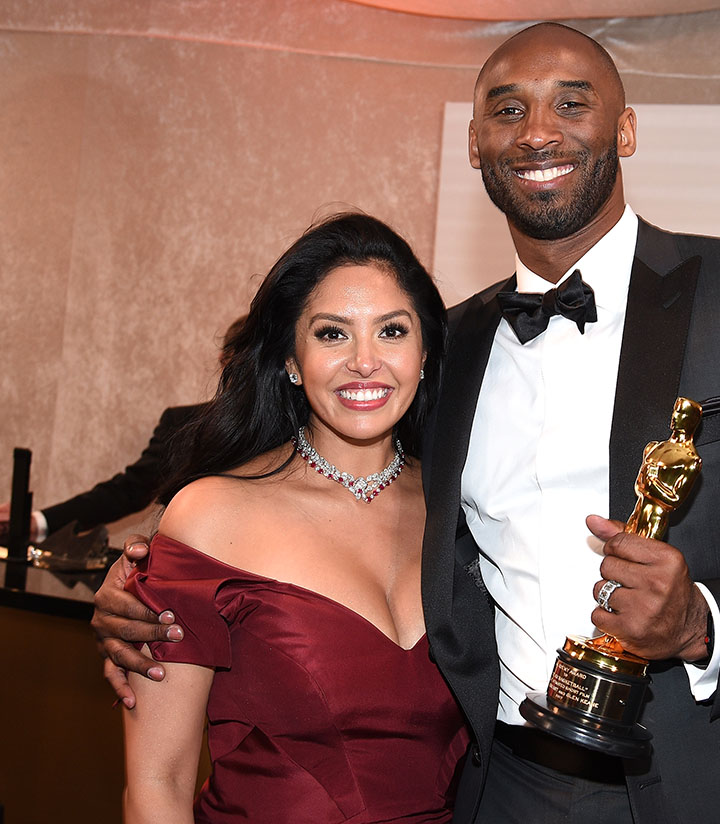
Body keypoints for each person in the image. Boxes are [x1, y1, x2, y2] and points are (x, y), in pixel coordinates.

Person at [93, 23, 720, 824]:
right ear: (476, 144)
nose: (538, 132)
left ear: (624, 129)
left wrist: (702, 622)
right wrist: (146, 589)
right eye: (508, 110)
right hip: (499, 791)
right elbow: (327, 510)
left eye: (572, 102)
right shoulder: (443, 348)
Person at [119, 213, 463, 822]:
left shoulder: (462, 513)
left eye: (392, 331)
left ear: (425, 352)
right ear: (291, 360)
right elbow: (157, 782)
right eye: (333, 333)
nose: (364, 361)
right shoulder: (210, 514)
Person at [0, 316, 245, 545]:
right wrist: (38, 521)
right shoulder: (182, 424)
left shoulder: (284, 436)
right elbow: (128, 491)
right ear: (225, 361)